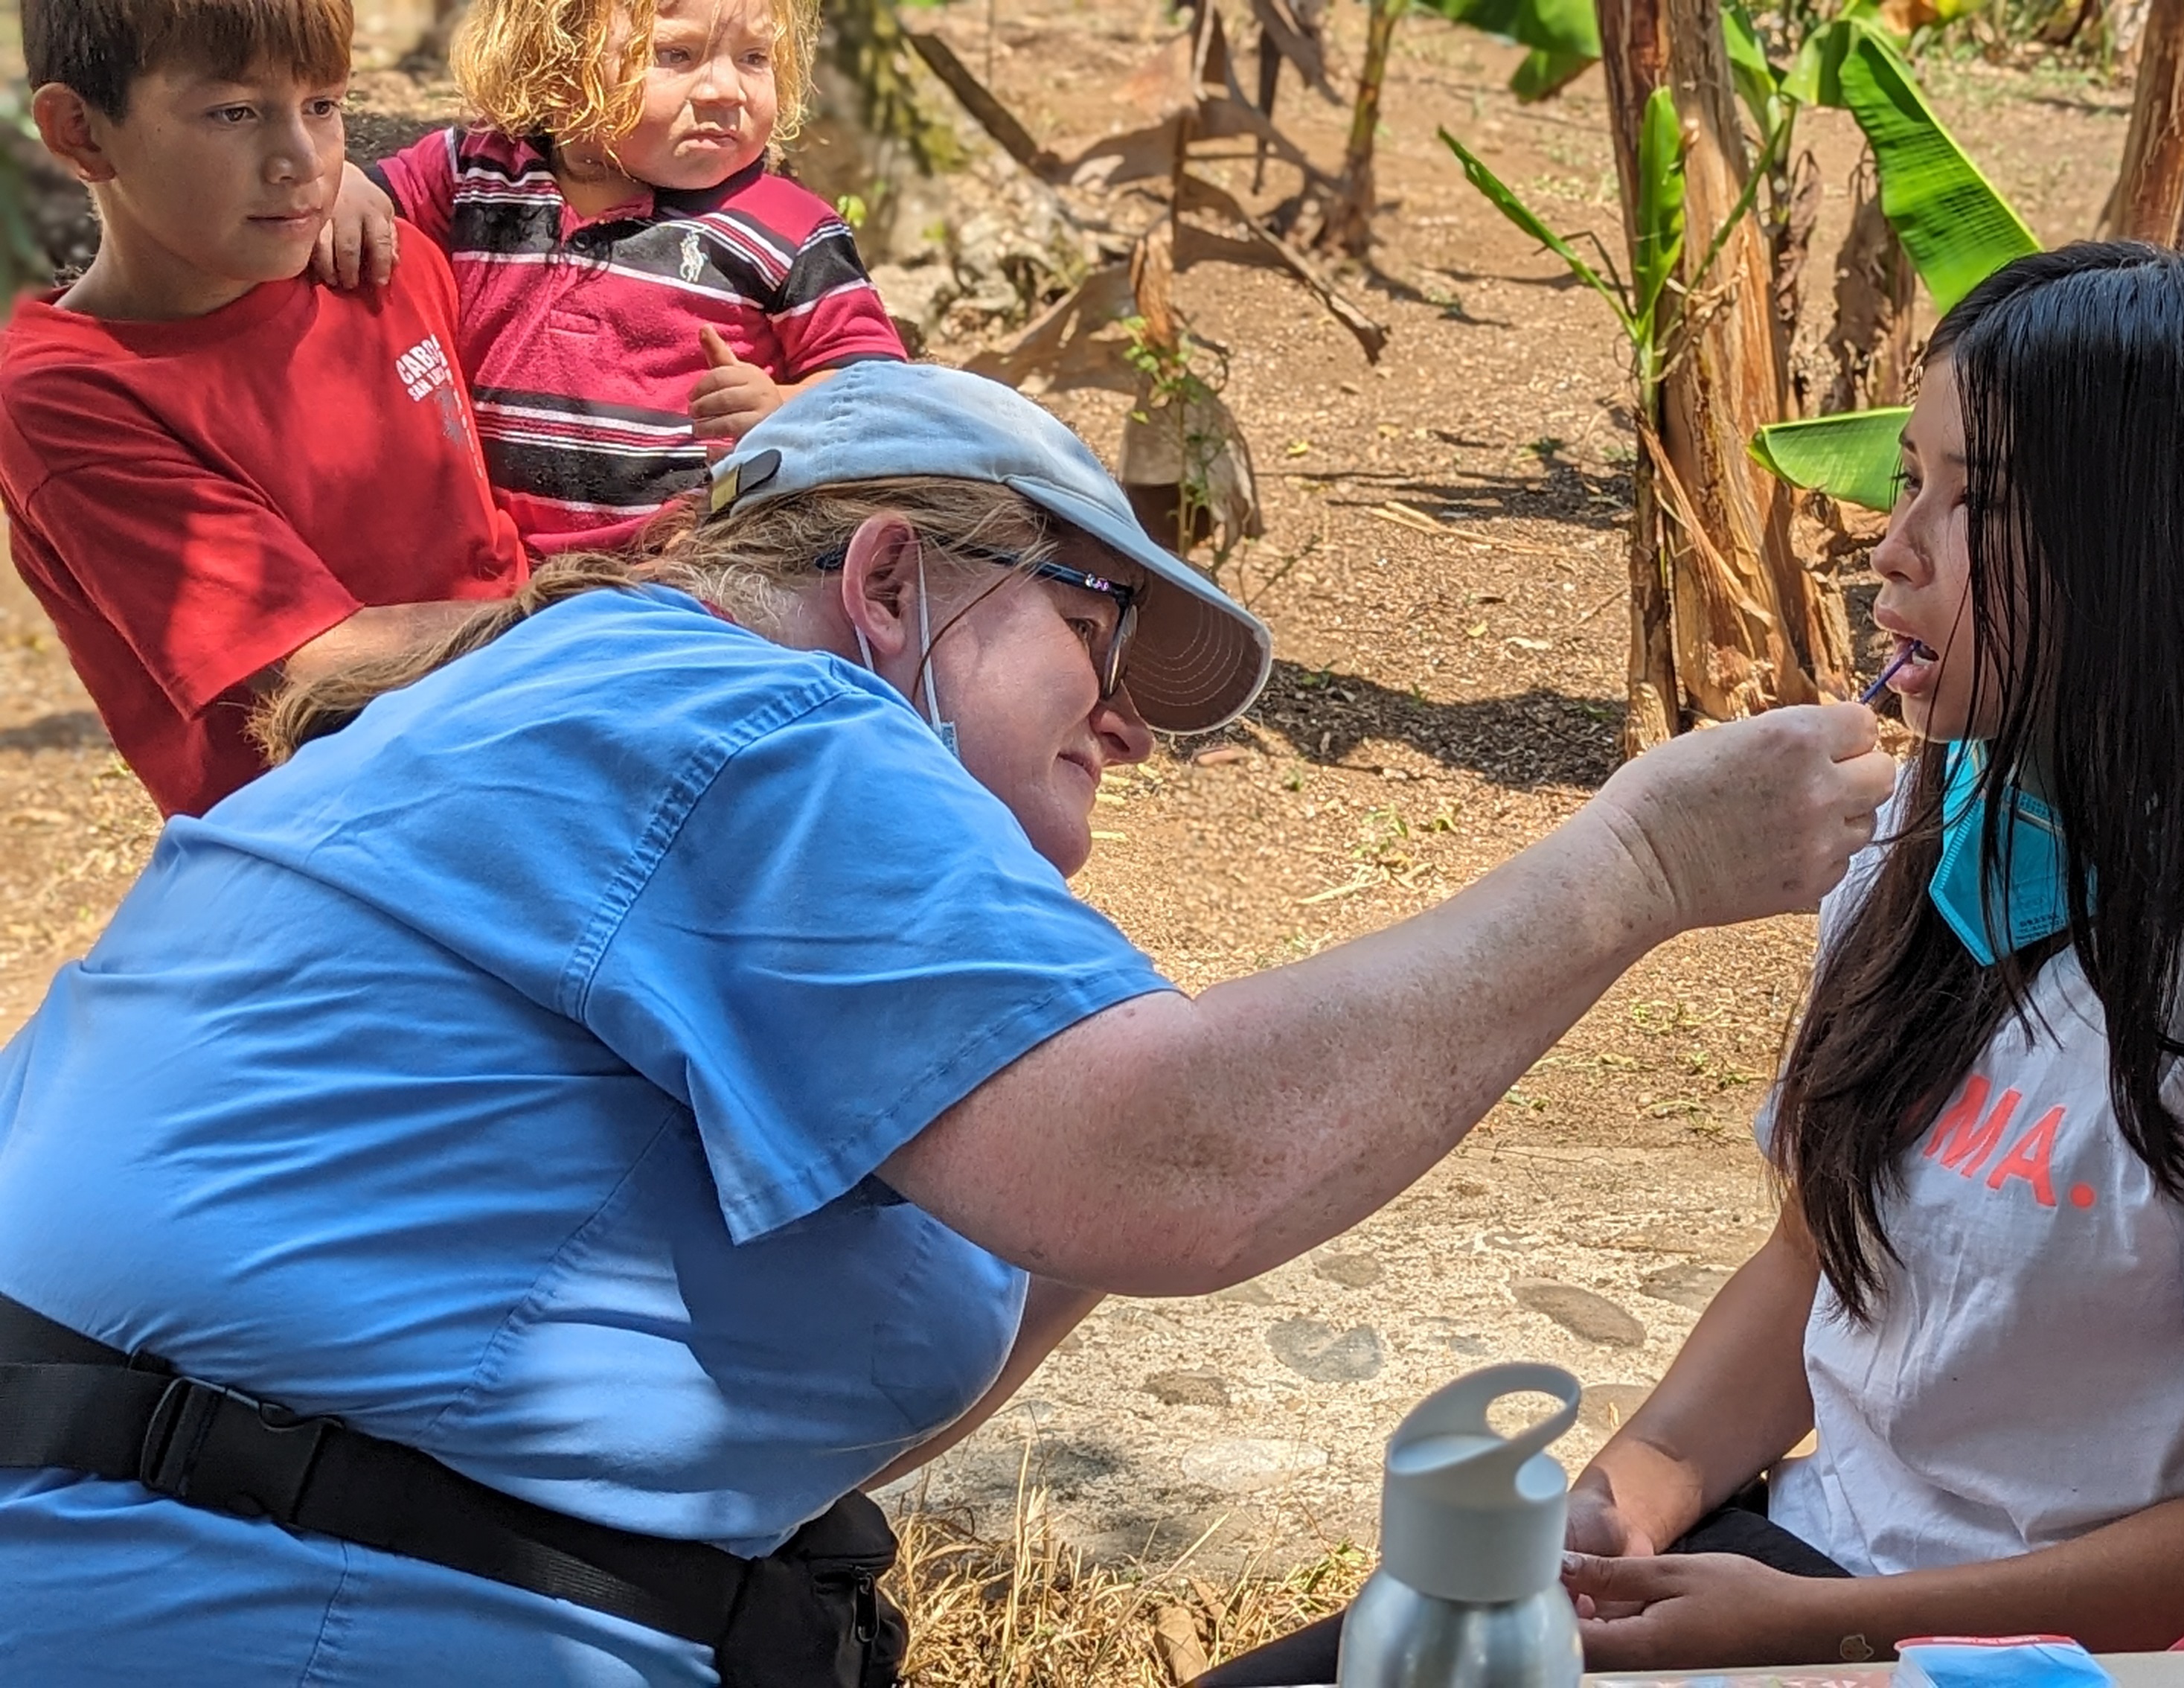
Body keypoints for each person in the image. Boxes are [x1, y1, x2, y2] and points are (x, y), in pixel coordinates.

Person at [0, 361, 1895, 1685]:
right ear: (892, 579)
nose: (1134, 724)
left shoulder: (594, 717)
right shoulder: (746, 721)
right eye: (1093, 628)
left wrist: (1124, 1155)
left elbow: (922, 1341)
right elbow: (1182, 1169)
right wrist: (1638, 865)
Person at [1197, 245, 2184, 1685]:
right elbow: (1818, 1261)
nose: (1893, 546)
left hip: (2070, 1653)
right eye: (1908, 479)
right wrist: (1636, 1492)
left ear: (2166, 555)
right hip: (1816, 1566)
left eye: (1976, 500)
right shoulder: (1936, 834)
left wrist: (1812, 1625)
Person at [0, 0, 528, 818]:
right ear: (80, 132)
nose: (299, 161)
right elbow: (315, 664)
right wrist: (595, 619)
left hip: (522, 759)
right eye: (235, 112)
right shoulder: (69, 396)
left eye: (323, 106)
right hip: (339, 846)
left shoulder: (384, 263)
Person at [316, 0, 906, 554]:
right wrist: (343, 185)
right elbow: (372, 200)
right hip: (487, 565)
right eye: (676, 55)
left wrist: (782, 404)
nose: (728, 90)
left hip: (685, 568)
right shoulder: (478, 170)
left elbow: (879, 388)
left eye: (756, 58)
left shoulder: (790, 228)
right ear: (559, 61)